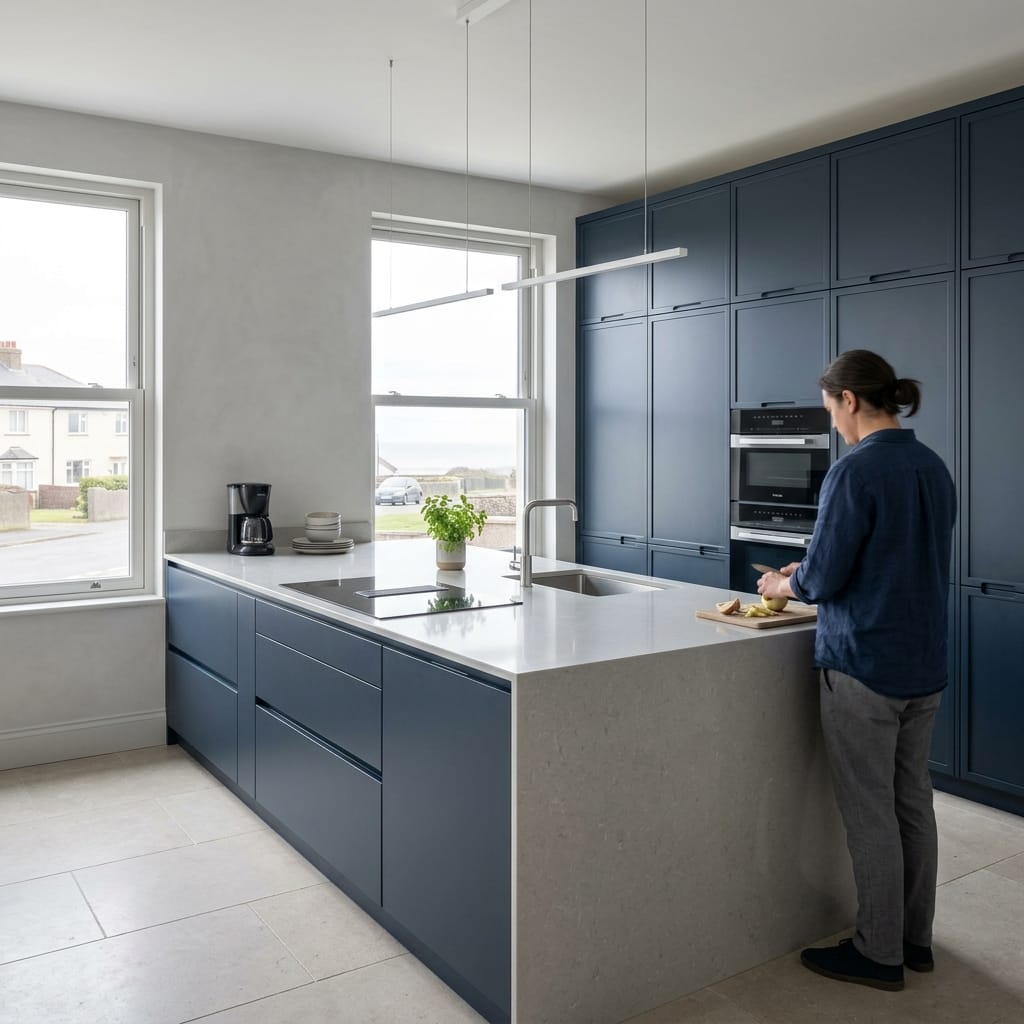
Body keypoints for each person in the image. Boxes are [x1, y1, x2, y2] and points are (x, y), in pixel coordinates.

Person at [758, 349, 956, 993]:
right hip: (922, 662)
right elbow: (892, 554)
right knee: (912, 805)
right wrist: (810, 566)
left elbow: (828, 576)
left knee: (870, 812)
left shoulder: (854, 472)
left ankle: (877, 953)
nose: (835, 427)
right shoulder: (932, 465)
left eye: (831, 411)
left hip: (864, 664)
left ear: (848, 400)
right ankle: (914, 940)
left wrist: (784, 583)